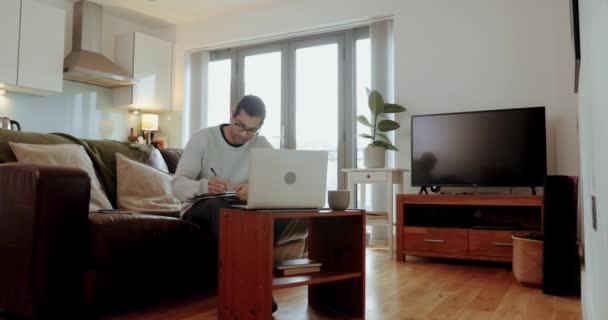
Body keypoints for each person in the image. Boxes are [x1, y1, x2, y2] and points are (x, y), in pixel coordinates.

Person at [171, 95, 281, 312]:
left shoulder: (261, 144)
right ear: (232, 113)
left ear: (260, 126)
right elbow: (177, 186)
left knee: (276, 212)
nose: (243, 134)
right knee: (220, 207)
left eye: (251, 130)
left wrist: (255, 191)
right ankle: (255, 290)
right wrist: (205, 186)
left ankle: (251, 287)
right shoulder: (203, 139)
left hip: (241, 208)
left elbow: (276, 185)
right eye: (240, 125)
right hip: (202, 207)